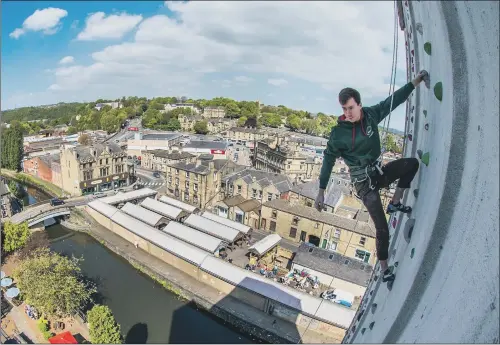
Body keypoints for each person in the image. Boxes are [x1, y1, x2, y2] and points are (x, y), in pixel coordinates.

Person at [315, 70, 428, 283]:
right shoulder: (338, 134)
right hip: (364, 185)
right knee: (382, 228)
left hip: (379, 173)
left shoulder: (371, 115)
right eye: (344, 109)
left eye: (350, 107)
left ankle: (395, 202)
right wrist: (321, 191)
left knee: (411, 164)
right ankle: (385, 269)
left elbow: (393, 100)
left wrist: (417, 81)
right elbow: (328, 161)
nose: (347, 113)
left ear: (359, 104)